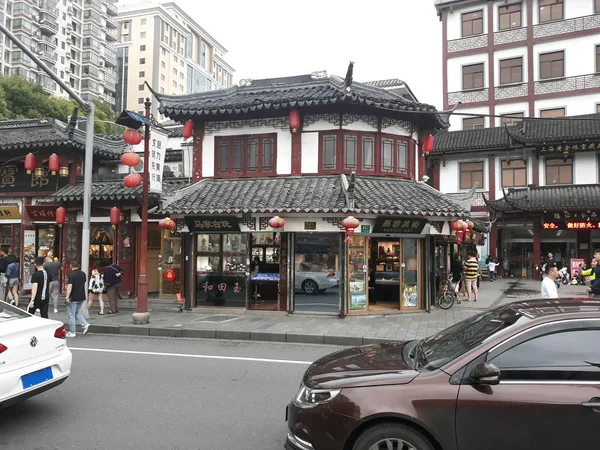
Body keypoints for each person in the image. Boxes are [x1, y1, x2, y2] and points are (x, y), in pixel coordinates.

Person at [65, 261, 89, 337]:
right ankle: (85, 324)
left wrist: (67, 297)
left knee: (71, 314)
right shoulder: (83, 273)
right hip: (81, 295)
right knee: (77, 312)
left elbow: (70, 286)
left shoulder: (71, 275)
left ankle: (72, 332)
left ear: (71, 265)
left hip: (73, 296)